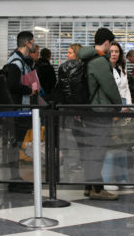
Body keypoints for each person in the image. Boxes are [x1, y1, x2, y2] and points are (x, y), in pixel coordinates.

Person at [77, 27, 122, 200]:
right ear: (106, 43)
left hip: (89, 111)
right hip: (100, 112)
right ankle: (97, 188)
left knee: (91, 151)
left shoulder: (87, 58)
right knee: (98, 151)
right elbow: (109, 86)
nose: (111, 48)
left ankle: (90, 187)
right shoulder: (99, 61)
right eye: (110, 44)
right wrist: (118, 106)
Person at [4, 31, 38, 193]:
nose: (33, 44)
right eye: (32, 41)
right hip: (17, 110)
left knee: (17, 144)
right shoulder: (15, 62)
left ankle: (16, 178)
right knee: (14, 144)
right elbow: (12, 85)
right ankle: (13, 178)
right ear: (26, 44)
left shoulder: (23, 61)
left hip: (22, 109)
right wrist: (29, 90)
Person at [102, 41, 134, 191]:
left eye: (117, 51)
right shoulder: (104, 69)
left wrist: (128, 106)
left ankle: (122, 178)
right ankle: (106, 179)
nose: (114, 54)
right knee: (110, 146)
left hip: (123, 109)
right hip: (111, 109)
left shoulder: (122, 68)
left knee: (122, 146)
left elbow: (126, 89)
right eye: (112, 51)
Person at [56, 43, 87, 171]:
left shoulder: (68, 69)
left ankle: (84, 161)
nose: (67, 55)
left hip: (76, 108)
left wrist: (74, 108)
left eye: (70, 52)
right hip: (79, 108)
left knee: (80, 137)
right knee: (79, 136)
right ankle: (84, 160)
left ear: (77, 54)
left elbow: (69, 90)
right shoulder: (83, 67)